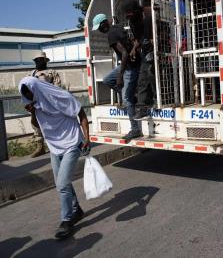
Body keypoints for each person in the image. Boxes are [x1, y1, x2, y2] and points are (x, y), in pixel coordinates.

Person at [19, 77, 90, 239]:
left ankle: (66, 220)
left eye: (30, 93)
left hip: (72, 142)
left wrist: (87, 138)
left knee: (62, 184)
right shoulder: (35, 103)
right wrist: (32, 112)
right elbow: (37, 125)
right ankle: (76, 209)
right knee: (62, 182)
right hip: (54, 146)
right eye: (26, 95)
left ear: (36, 88)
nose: (29, 97)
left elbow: (81, 113)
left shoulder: (60, 96)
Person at [92, 13, 142, 139]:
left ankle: (135, 129)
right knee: (107, 80)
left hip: (130, 66)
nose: (99, 30)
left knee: (125, 98)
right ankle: (133, 98)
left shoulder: (111, 35)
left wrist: (120, 76)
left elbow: (124, 54)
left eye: (99, 27)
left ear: (104, 24)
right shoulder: (117, 28)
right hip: (129, 64)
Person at [122, 0, 156, 119]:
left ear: (137, 10)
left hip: (162, 47)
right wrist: (134, 49)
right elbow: (138, 39)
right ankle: (143, 107)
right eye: (127, 16)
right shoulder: (132, 22)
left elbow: (164, 28)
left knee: (152, 75)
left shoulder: (149, 13)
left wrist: (155, 41)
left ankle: (156, 99)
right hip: (147, 50)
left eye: (131, 15)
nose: (129, 18)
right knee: (143, 77)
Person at [30, 52, 61, 158]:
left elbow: (57, 88)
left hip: (49, 103)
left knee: (52, 124)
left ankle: (56, 146)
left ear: (45, 61)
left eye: (40, 60)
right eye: (36, 60)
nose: (38, 62)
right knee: (36, 124)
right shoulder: (32, 73)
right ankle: (40, 147)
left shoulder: (52, 72)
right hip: (35, 103)